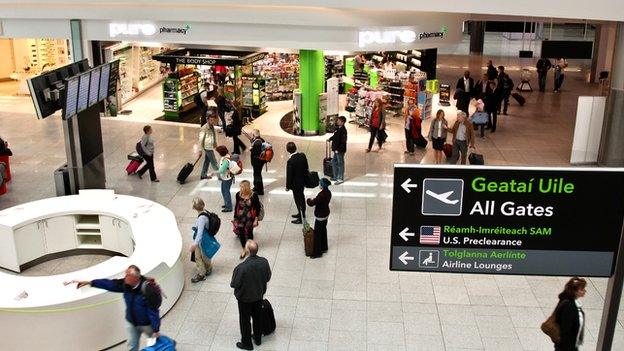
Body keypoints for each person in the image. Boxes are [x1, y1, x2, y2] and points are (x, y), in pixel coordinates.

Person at [70, 265, 160, 351]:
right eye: (126, 274)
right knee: (132, 346)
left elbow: (153, 310)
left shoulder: (148, 290)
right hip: (131, 323)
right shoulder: (126, 285)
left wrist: (155, 330)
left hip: (147, 325)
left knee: (153, 345)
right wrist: (90, 282)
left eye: (128, 275)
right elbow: (109, 284)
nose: (125, 277)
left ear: (136, 278)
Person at [230, 240, 272, 350]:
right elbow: (268, 277)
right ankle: (258, 338)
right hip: (258, 295)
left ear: (247, 251)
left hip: (245, 299)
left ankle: (247, 343)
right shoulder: (264, 262)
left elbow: (234, 284)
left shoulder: (241, 268)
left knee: (245, 320)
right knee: (257, 317)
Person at [553, 277, 586, 351]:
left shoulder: (573, 303)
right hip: (566, 347)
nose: (584, 291)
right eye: (582, 289)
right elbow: (565, 330)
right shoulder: (569, 306)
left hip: (571, 345)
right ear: (575, 291)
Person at [233, 180, 261, 259]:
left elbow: (257, 208)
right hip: (240, 217)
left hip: (250, 218)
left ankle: (250, 247)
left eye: (242, 187)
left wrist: (256, 220)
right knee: (241, 232)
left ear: (246, 187)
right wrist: (235, 217)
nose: (240, 188)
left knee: (249, 233)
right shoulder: (238, 195)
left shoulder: (253, 195)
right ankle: (244, 249)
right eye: (240, 186)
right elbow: (236, 207)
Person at [189, 197, 214, 283]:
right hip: (206, 238)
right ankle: (208, 269)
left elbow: (199, 233)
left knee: (198, 257)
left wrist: (194, 244)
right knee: (206, 255)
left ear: (194, 207)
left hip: (201, 240)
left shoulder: (201, 219)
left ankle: (201, 274)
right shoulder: (205, 212)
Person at [306, 178, 332, 258]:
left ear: (322, 185)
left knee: (317, 234)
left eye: (320, 184)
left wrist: (308, 200)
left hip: (320, 216)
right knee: (323, 230)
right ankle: (324, 247)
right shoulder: (328, 192)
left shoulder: (321, 195)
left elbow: (312, 203)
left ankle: (317, 253)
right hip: (326, 213)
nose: (319, 185)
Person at [286, 142, 309, 224]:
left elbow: (289, 175)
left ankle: (301, 217)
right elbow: (306, 168)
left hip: (295, 185)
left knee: (298, 200)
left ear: (288, 150)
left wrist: (287, 186)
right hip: (302, 182)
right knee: (301, 198)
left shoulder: (290, 161)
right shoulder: (302, 156)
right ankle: (301, 214)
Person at [327, 116, 347, 184]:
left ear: (342, 122)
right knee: (333, 162)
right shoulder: (338, 128)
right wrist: (330, 139)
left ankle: (340, 178)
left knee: (340, 163)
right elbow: (335, 136)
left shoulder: (343, 131)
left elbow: (343, 142)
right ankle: (336, 176)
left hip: (339, 150)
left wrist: (338, 150)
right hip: (336, 149)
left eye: (339, 121)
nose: (337, 122)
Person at [199, 115, 219, 180]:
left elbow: (213, 136)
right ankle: (220, 176)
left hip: (210, 146)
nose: (212, 121)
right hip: (207, 147)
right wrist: (200, 150)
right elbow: (201, 139)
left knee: (207, 161)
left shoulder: (212, 127)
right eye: (211, 120)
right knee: (214, 162)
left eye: (213, 120)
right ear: (207, 120)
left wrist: (215, 145)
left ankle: (203, 174)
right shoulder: (204, 128)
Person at [216, 145, 234, 213]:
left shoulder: (225, 160)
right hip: (227, 177)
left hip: (227, 178)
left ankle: (229, 207)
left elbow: (221, 170)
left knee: (226, 192)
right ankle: (227, 204)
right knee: (224, 191)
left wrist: (213, 172)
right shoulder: (227, 156)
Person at [249, 129, 266, 195]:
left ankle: (260, 190)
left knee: (257, 175)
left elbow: (255, 152)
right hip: (260, 161)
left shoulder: (257, 143)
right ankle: (256, 187)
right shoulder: (261, 140)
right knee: (256, 174)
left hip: (257, 162)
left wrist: (251, 149)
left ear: (253, 135)